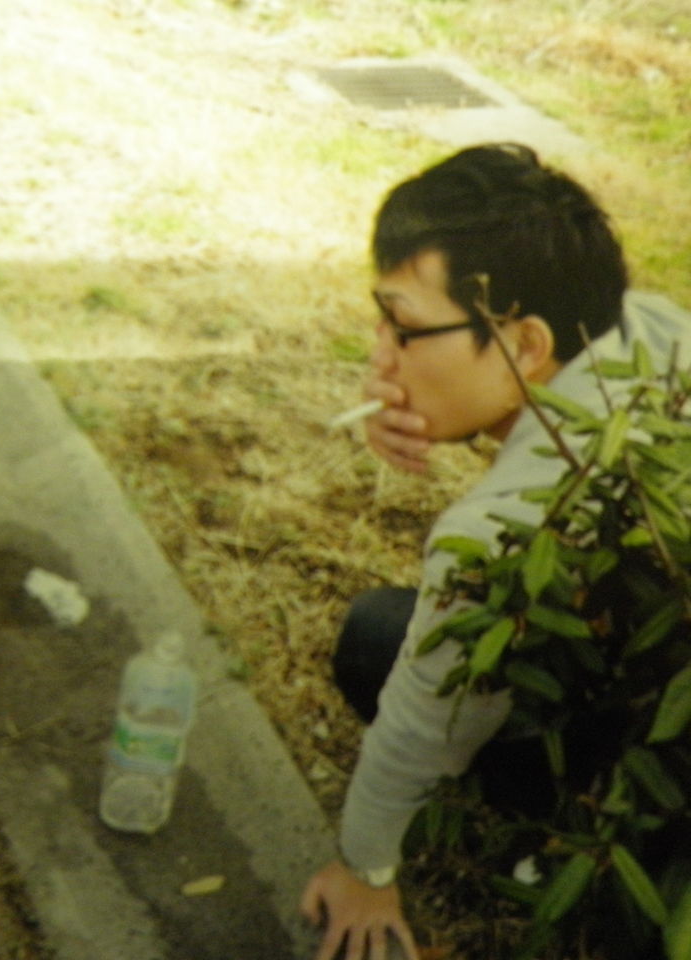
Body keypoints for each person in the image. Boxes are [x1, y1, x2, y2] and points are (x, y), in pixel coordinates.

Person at [299, 142, 691, 960]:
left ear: (526, 343)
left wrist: (365, 866)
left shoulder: (494, 534)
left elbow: (426, 721)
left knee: (378, 637)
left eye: (405, 329)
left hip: (661, 789)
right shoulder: (651, 328)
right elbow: (556, 445)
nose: (378, 356)